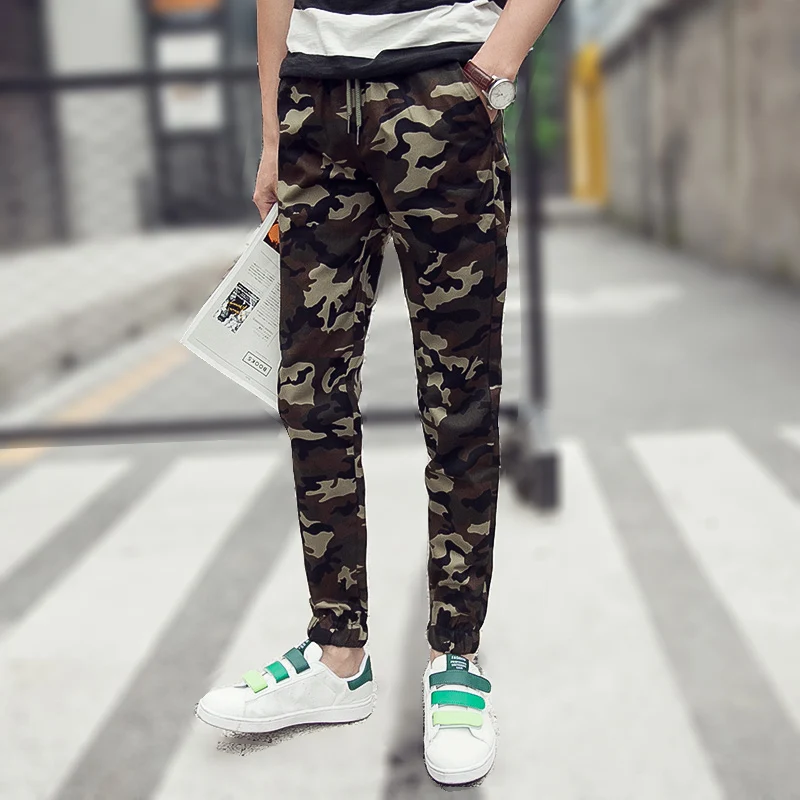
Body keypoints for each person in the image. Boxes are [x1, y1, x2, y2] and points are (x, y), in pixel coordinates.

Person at [197, 0, 562, 785]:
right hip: (313, 105)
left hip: (442, 89)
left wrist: (493, 66)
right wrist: (274, 132)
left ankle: (455, 657)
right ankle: (338, 657)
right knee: (311, 395)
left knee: (459, 396)